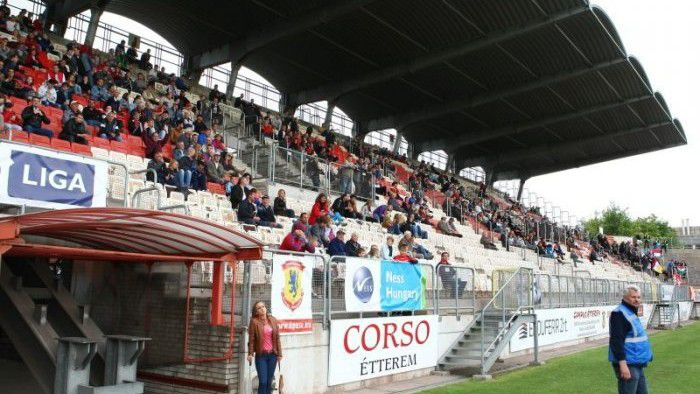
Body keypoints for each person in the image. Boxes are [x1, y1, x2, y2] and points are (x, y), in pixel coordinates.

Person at [608, 285, 653, 394]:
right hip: (628, 364)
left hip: (636, 362)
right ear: (625, 297)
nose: (636, 300)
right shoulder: (619, 314)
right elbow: (616, 341)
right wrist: (622, 365)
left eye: (638, 297)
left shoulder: (630, 311)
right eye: (633, 297)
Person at [247, 301, 282, 394]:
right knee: (263, 382)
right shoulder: (254, 322)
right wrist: (250, 353)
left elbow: (277, 337)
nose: (262, 309)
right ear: (256, 311)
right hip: (261, 356)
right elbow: (252, 339)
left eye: (263, 306)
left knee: (269, 382)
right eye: (259, 308)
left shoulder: (273, 320)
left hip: (272, 356)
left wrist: (279, 354)